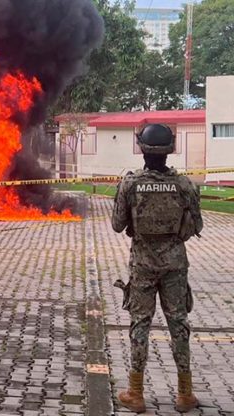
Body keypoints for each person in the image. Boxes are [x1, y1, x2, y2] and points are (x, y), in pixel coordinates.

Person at [112, 124, 203, 413]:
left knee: (140, 324)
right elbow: (196, 225)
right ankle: (185, 394)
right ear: (169, 150)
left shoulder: (131, 184)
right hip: (175, 265)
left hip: (143, 265)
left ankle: (136, 393)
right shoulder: (184, 185)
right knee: (179, 325)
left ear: (142, 149)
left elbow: (117, 225)